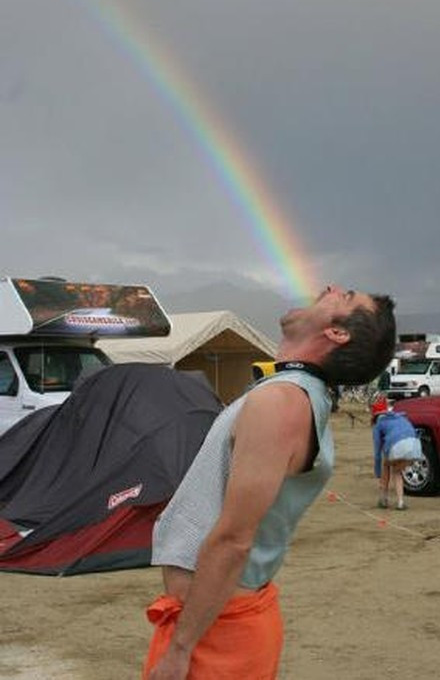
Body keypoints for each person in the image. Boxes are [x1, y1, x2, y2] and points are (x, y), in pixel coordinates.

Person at [142, 284, 396, 680]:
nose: (329, 288)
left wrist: (180, 649)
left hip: (217, 636)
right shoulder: (296, 395)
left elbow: (234, 539)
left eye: (344, 295)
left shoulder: (281, 402)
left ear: (338, 333)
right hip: (213, 621)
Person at [372, 406, 422, 510]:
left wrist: (377, 472)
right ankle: (400, 502)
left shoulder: (379, 425)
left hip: (397, 447)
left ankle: (383, 499)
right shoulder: (402, 418)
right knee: (397, 471)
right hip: (415, 447)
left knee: (386, 465)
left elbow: (377, 453)